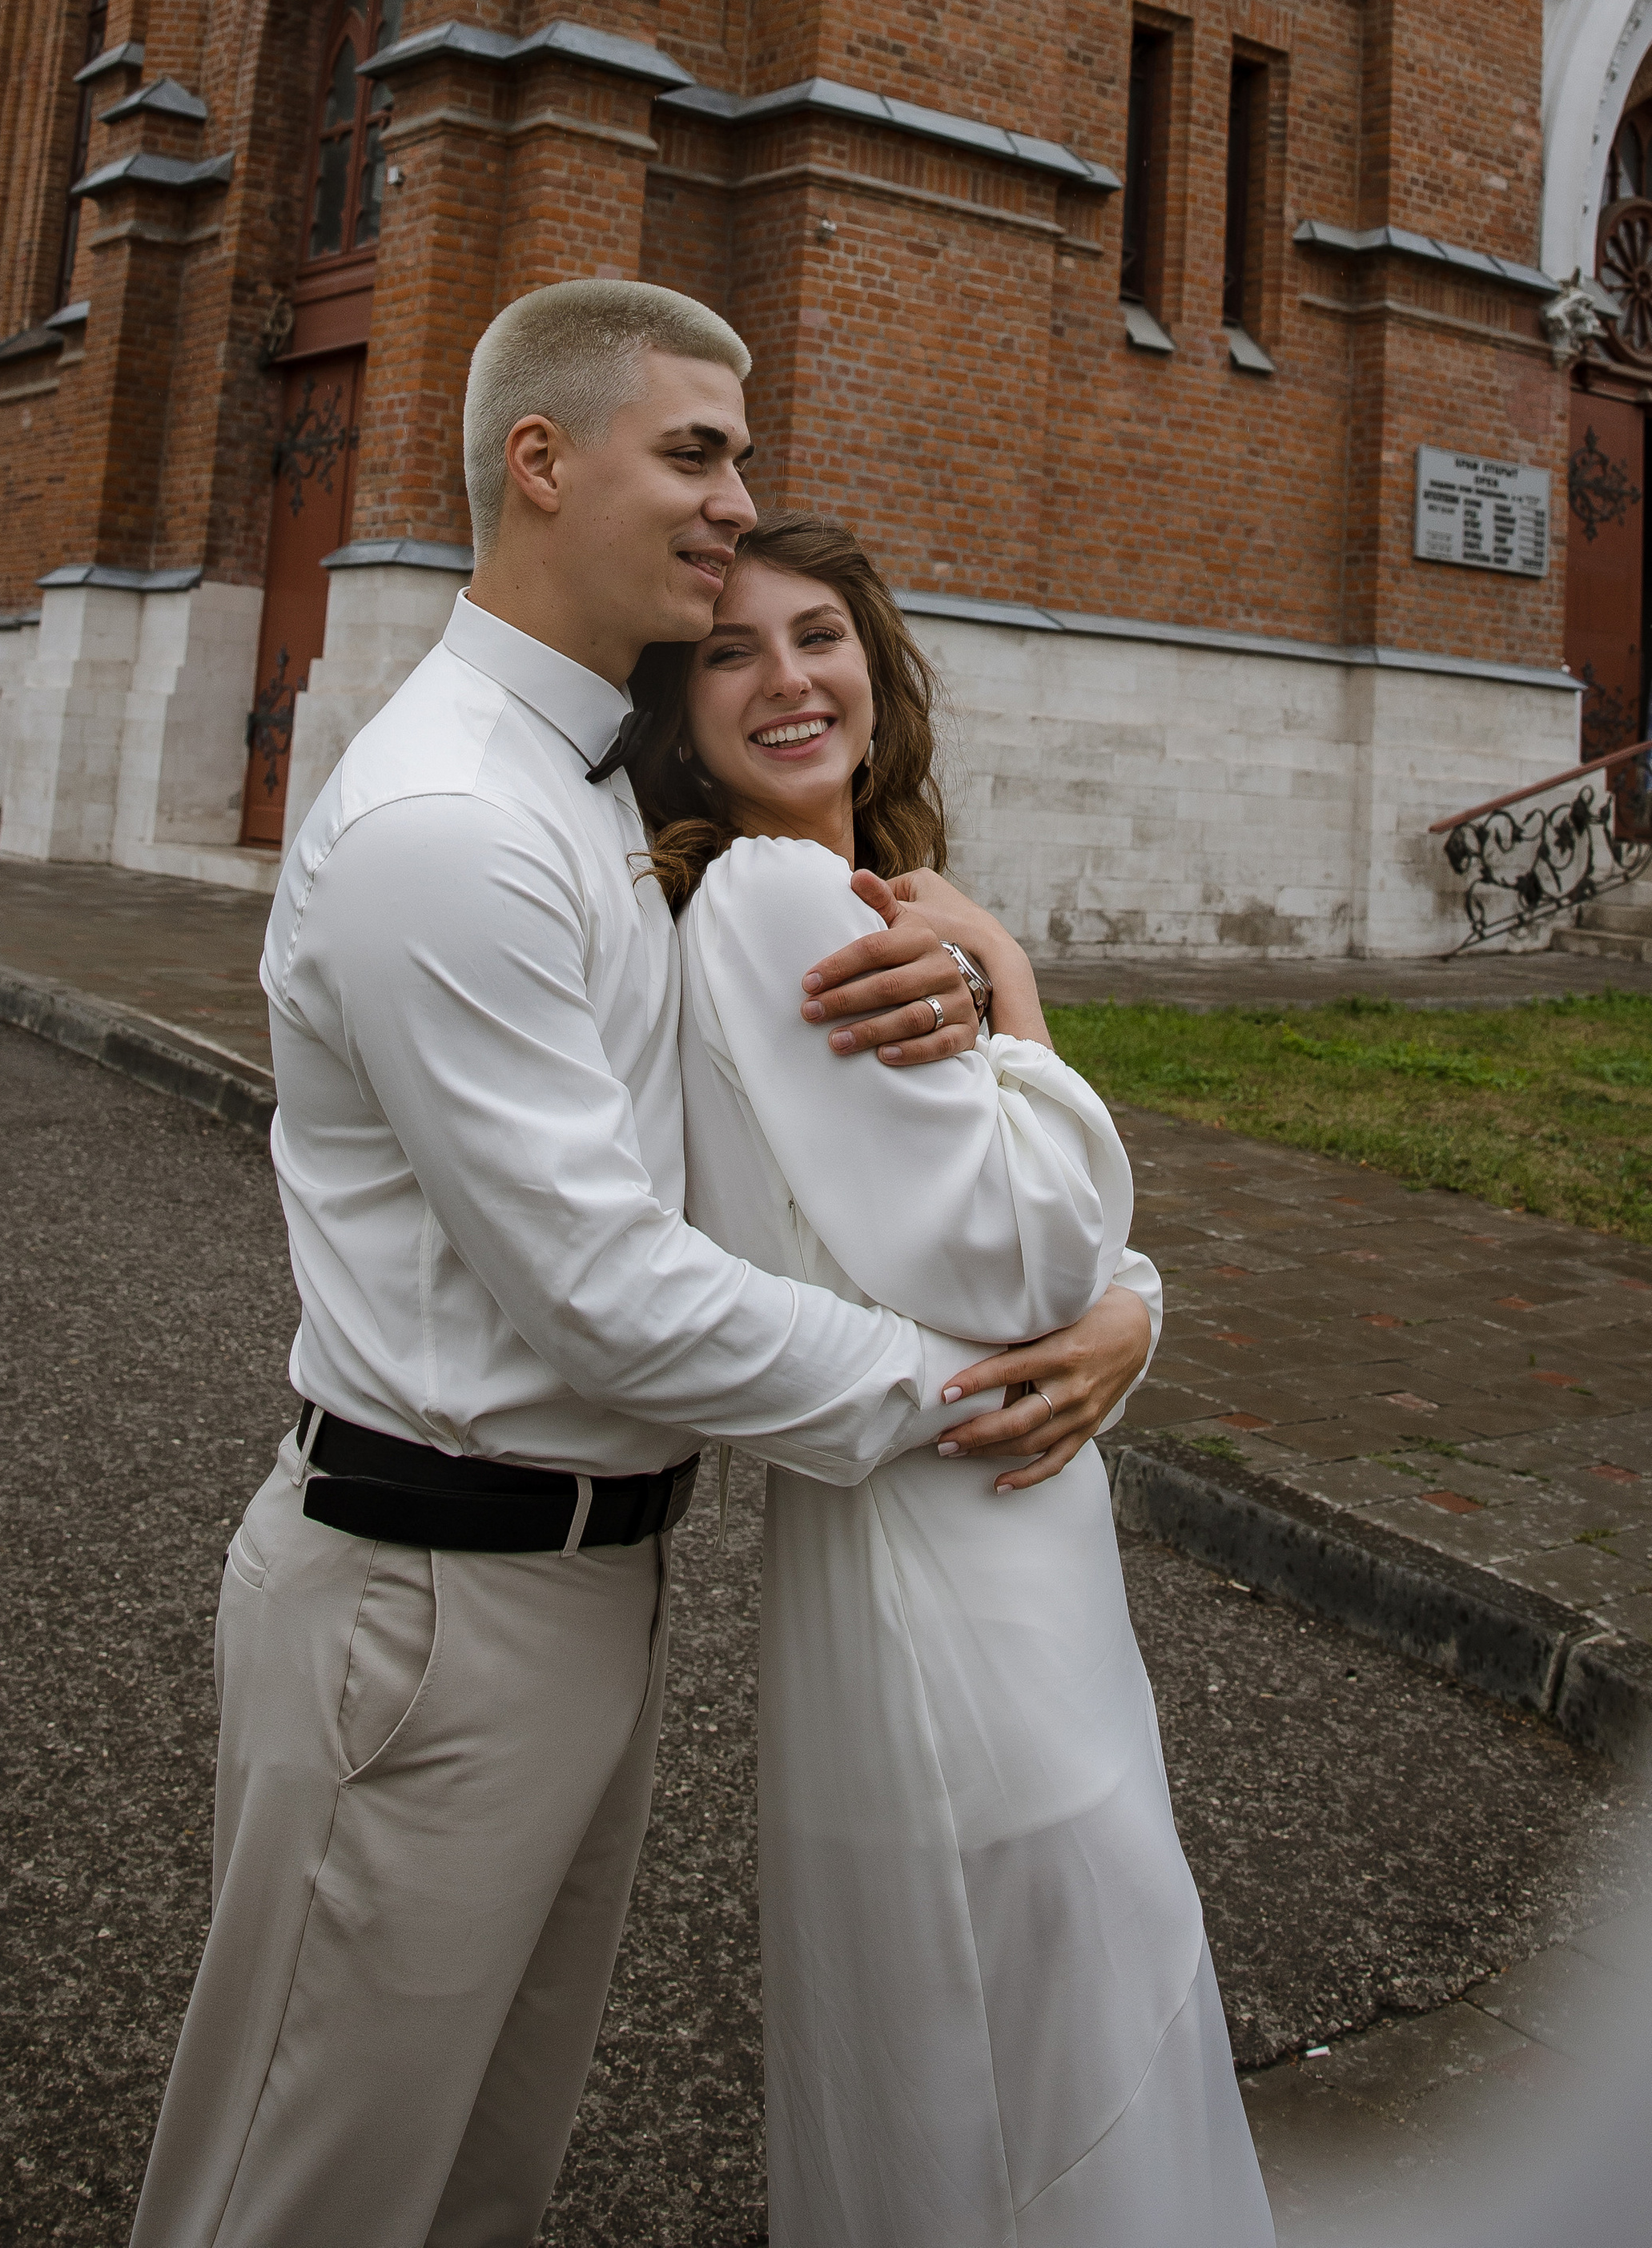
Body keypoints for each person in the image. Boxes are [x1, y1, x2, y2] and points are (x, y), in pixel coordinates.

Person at [128, 282, 1160, 2248]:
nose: (732, 497)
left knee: (474, 2184)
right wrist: (987, 1385)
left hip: (577, 1586)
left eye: (738, 457)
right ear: (541, 461)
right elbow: (600, 1286)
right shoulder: (451, 822)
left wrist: (1120, 1304)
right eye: (694, 451)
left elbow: (807, 1195)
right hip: (425, 1601)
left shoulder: (596, 797)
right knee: (302, 2192)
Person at [627, 507, 1273, 2248]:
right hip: (950, 1561)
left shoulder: (840, 894)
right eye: (726, 650)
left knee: (1009, 2019)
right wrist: (1016, 984)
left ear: (876, 661)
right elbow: (1023, 1257)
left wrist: (1128, 1316)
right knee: (1044, 2025)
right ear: (672, 710)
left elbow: (1023, 1264)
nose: (783, 679)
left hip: (980, 1524)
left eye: (815, 635)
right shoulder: (777, 902)